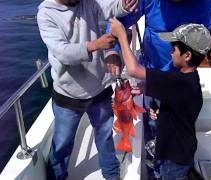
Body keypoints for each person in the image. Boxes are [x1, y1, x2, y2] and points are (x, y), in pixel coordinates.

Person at [105, 1, 211, 178]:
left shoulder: (210, 7)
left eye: (174, 48)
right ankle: (155, 170)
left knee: (168, 167)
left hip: (173, 158)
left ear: (187, 55)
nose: (171, 51)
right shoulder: (190, 82)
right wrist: (112, 51)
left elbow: (134, 70)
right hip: (162, 89)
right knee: (154, 127)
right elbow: (120, 17)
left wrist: (121, 36)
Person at [37, 0, 139, 179]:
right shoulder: (46, 13)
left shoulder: (88, 3)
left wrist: (123, 4)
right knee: (62, 145)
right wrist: (94, 45)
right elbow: (63, 53)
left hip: (99, 89)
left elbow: (110, 6)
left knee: (105, 138)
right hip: (67, 96)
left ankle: (112, 175)